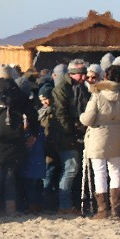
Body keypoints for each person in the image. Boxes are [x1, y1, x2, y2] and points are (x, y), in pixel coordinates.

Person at [0, 65, 37, 215]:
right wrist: (33, 134)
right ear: (12, 76)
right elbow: (32, 114)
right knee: (10, 173)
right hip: (14, 138)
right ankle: (11, 207)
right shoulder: (18, 93)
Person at [80, 65, 120, 219]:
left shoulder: (97, 95)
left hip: (98, 136)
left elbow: (87, 119)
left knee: (100, 173)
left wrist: (81, 117)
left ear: (105, 76)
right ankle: (117, 209)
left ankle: (103, 210)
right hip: (116, 136)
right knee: (116, 170)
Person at [48, 63, 82, 214]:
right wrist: (72, 130)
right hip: (65, 136)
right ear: (72, 74)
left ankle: (65, 204)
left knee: (69, 169)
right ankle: (65, 205)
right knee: (70, 169)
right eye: (81, 74)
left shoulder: (70, 88)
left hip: (66, 134)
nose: (83, 77)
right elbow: (61, 113)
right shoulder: (62, 89)